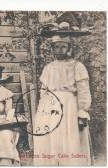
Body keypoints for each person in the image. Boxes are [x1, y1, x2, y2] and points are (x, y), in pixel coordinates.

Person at [33, 34, 92, 166]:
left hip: (69, 106)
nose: (59, 50)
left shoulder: (77, 66)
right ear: (52, 49)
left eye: (63, 47)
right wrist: (41, 110)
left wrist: (82, 112)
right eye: (56, 47)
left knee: (69, 138)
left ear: (69, 48)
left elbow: (83, 90)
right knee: (51, 139)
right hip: (50, 106)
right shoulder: (48, 68)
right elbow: (44, 90)